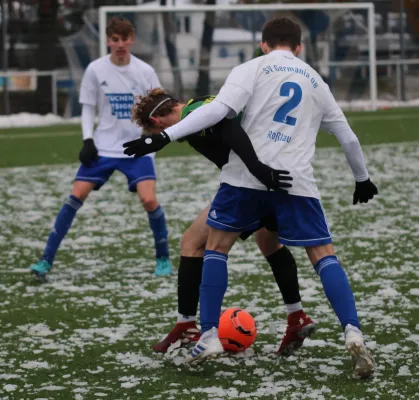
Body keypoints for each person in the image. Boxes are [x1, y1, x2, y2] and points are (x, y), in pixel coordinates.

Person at [123, 17, 378, 377]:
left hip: (245, 178)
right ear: (300, 47)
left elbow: (218, 113)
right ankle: (352, 332)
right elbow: (347, 136)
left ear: (263, 44)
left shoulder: (252, 68)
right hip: (295, 180)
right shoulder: (316, 80)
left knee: (215, 247)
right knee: (323, 257)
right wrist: (361, 178)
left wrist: (164, 137)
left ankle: (208, 333)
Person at [129, 88, 315, 356]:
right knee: (268, 242)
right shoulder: (203, 103)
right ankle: (296, 316)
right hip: (276, 173)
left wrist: (255, 168)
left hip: (251, 183)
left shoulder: (196, 115)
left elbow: (229, 129)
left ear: (157, 122)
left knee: (193, 242)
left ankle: (188, 324)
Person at [29, 17, 173, 280]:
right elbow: (88, 108)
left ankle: (163, 258)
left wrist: (152, 138)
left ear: (132, 40)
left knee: (149, 199)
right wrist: (87, 140)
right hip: (104, 147)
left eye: (125, 39)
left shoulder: (145, 71)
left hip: (136, 148)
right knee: (75, 196)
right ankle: (45, 261)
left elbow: (160, 109)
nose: (120, 45)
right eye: (115, 40)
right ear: (108, 40)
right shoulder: (95, 70)